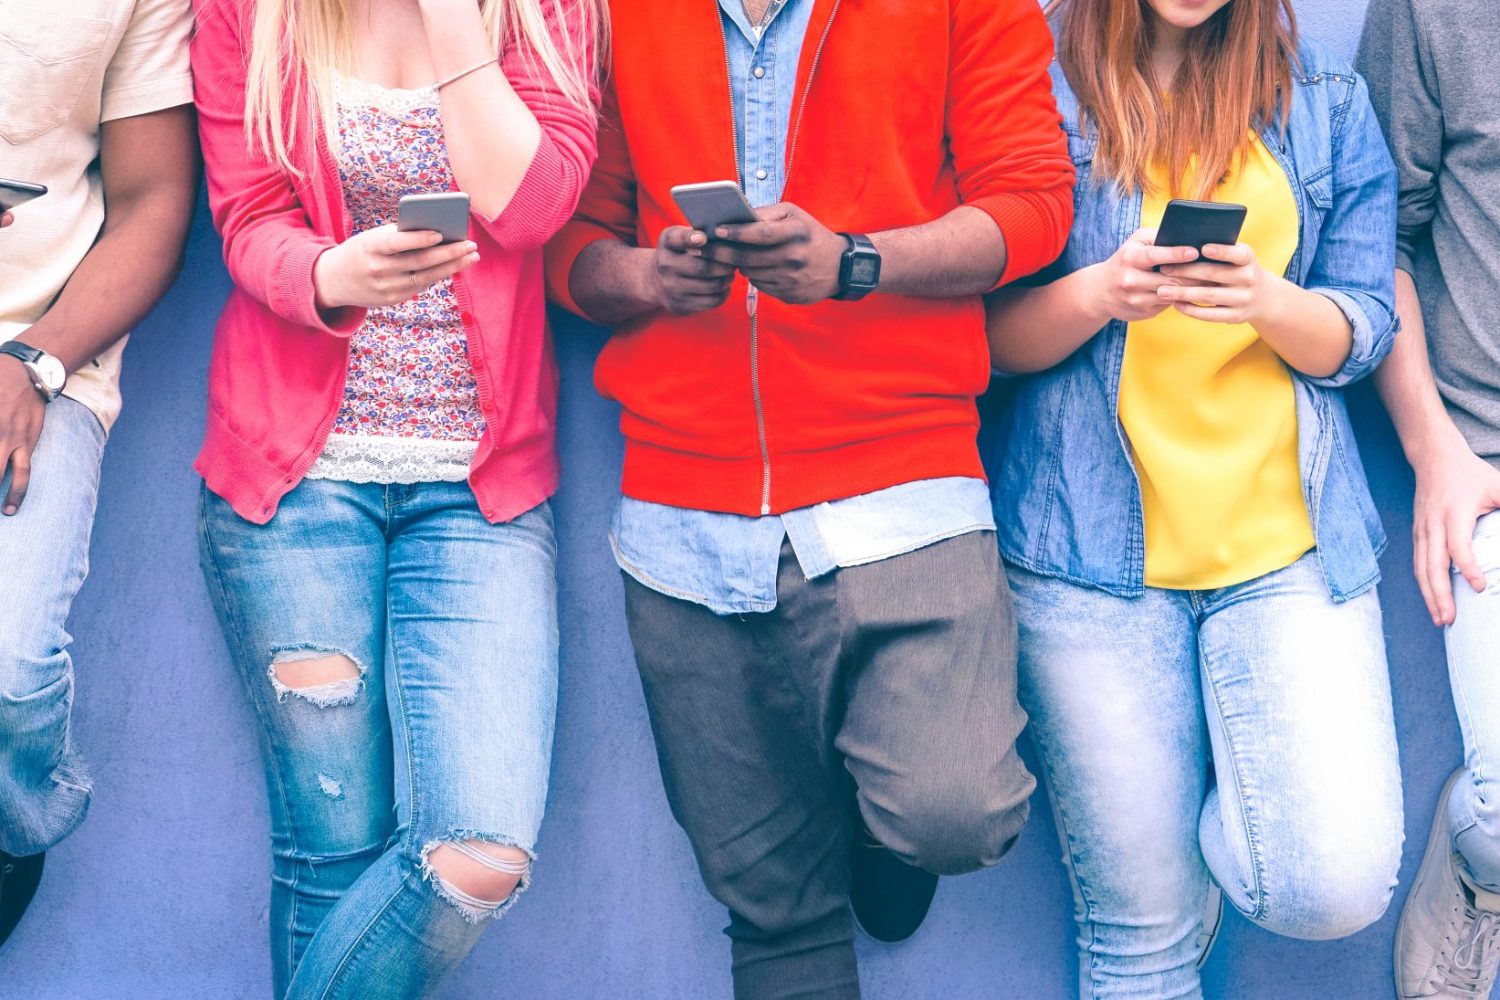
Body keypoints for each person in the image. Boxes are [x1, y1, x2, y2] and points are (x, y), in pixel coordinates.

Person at [545, 1, 1074, 996]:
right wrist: (650, 276)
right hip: (682, 517)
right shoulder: (612, 10)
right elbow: (568, 240)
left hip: (903, 482)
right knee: (773, 912)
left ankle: (883, 826)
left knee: (952, 808)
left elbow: (1036, 204)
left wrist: (855, 262)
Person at [984, 0, 1406, 994]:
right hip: (1087, 569)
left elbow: (1367, 329)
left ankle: (1229, 809)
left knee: (1332, 880)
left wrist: (1267, 300)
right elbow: (981, 345)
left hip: (1288, 554)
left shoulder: (1324, 105)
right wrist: (1100, 295)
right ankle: (1170, 868)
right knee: (1143, 939)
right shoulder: (1033, 88)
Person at [190, 0, 600, 994]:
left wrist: (459, 21)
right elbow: (247, 221)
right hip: (294, 485)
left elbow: (533, 208)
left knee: (479, 850)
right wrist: (334, 271)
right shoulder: (249, 11)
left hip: (481, 496)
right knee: (328, 853)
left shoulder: (547, 13)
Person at [0, 0, 197, 949]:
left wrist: (34, 360)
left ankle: (13, 831)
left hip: (38, 357)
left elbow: (154, 198)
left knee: (8, 665)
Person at [1359, 1, 1500, 995]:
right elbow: (1379, 241)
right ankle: (1482, 870)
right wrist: (1433, 446)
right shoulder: (1435, 11)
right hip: (1486, 469)